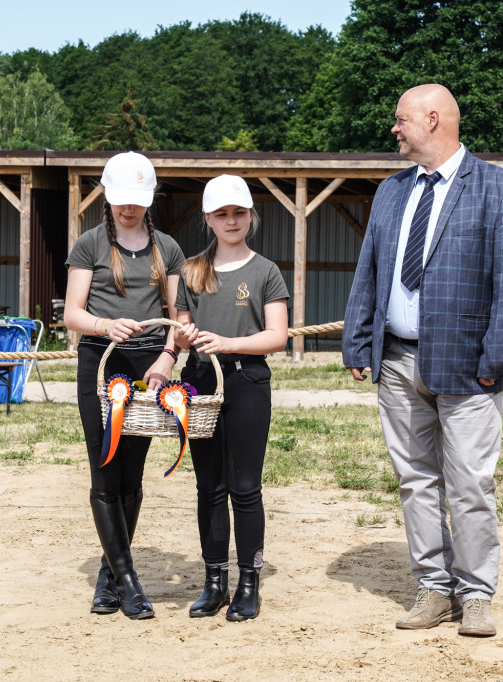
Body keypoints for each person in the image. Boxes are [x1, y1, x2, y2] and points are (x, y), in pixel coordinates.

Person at [342, 84, 503, 637]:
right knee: (415, 479)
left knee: (471, 484)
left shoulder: (500, 188)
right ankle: (434, 587)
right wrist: (358, 341)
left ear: (432, 120)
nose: (394, 129)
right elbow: (370, 272)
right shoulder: (390, 191)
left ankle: (476, 594)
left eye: (400, 119)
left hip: (471, 365)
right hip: (399, 362)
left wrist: (495, 357)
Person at [63, 151, 185, 620]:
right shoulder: (89, 244)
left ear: (150, 198)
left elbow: (178, 317)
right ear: (107, 197)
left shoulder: (167, 249)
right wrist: (102, 325)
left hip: (148, 368)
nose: (127, 208)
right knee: (104, 470)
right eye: (119, 200)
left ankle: (109, 575)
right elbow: (73, 312)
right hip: (100, 363)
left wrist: (168, 358)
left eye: (136, 200)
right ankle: (128, 581)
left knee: (131, 473)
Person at [174, 175, 289, 621]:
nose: (231, 221)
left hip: (247, 383)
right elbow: (181, 332)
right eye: (222, 214)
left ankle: (248, 583)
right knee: (209, 488)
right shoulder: (190, 270)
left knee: (244, 488)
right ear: (208, 219)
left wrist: (228, 343)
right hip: (200, 383)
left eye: (238, 213)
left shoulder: (265, 271)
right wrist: (183, 336)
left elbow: (276, 336)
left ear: (250, 216)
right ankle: (214, 580)